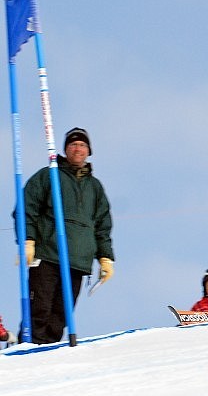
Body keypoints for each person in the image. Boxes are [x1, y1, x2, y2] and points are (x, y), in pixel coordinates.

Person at [17, 127, 115, 344]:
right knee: (39, 308)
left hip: (77, 262)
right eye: (73, 144)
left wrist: (105, 257)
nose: (77, 148)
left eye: (82, 144)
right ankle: (27, 350)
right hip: (47, 255)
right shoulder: (49, 175)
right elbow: (26, 208)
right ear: (65, 149)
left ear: (89, 151)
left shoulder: (95, 187)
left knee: (60, 315)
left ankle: (48, 354)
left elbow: (102, 225)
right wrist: (28, 240)